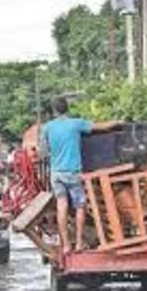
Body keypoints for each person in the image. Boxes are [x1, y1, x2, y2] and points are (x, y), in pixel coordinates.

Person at [41, 96, 122, 254]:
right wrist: (117, 122)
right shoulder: (76, 124)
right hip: (73, 173)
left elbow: (43, 152)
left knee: (61, 206)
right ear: (67, 109)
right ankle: (78, 243)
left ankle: (65, 245)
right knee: (80, 206)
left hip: (56, 174)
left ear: (53, 111)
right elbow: (101, 127)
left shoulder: (47, 128)